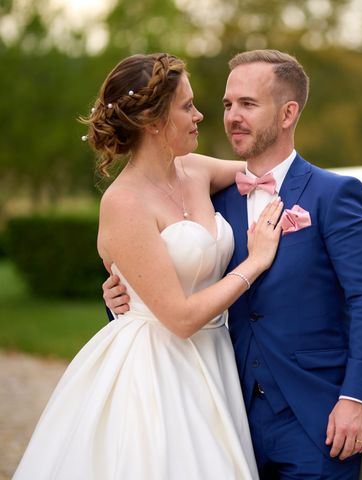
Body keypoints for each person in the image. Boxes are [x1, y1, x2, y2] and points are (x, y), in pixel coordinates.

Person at [105, 49, 362, 478]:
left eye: (248, 104)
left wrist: (357, 398)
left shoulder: (334, 196)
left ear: (287, 113)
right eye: (227, 104)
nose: (230, 116)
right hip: (224, 412)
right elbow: (169, 280)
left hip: (317, 418)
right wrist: (118, 294)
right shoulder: (211, 200)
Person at [14, 53, 285, 479]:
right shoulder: (123, 203)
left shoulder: (195, 170)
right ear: (152, 121)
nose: (200, 115)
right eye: (186, 106)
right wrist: (255, 262)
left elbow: (278, 178)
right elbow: (178, 317)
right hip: (158, 368)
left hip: (215, 357)